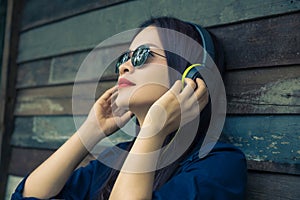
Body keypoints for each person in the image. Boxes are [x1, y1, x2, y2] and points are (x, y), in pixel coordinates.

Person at [12, 17, 247, 200]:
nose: (124, 66)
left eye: (142, 55)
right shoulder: (115, 158)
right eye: (125, 57)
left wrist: (155, 128)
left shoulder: (218, 165)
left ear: (191, 75)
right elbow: (27, 197)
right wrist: (90, 131)